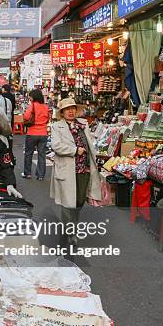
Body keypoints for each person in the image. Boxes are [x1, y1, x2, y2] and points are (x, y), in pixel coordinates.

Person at [50, 98, 102, 246]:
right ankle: (69, 233)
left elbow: (90, 143)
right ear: (62, 112)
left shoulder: (83, 124)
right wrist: (74, 150)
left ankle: (71, 227)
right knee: (68, 203)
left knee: (79, 201)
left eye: (72, 108)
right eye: (67, 109)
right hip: (67, 169)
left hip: (84, 168)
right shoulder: (56, 126)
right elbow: (56, 146)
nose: (70, 111)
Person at [22, 89, 50, 180]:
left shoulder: (32, 106)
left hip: (32, 133)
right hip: (43, 133)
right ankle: (40, 175)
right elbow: (48, 119)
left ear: (33, 97)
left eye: (30, 96)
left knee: (28, 153)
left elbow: (26, 116)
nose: (29, 98)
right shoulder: (45, 107)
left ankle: (28, 173)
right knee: (41, 155)